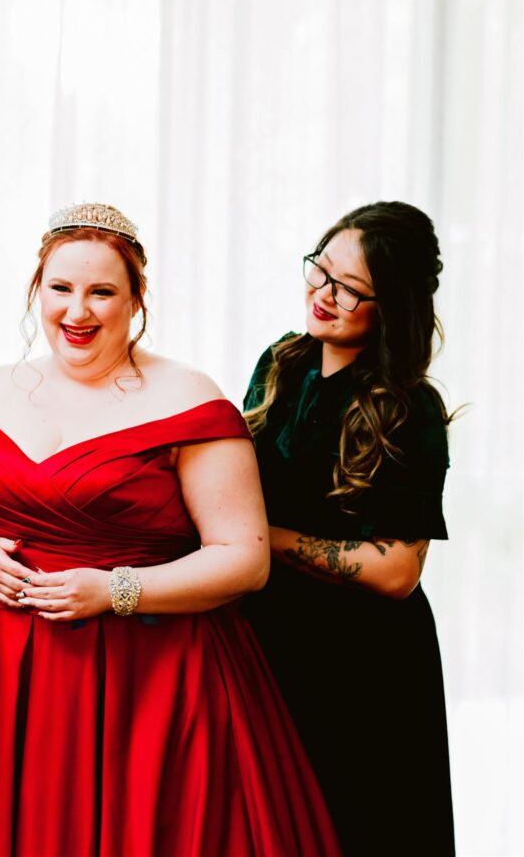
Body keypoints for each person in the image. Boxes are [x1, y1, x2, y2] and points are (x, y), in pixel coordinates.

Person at [0, 203, 341, 857]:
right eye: (61, 289)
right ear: (35, 292)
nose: (78, 312)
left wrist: (115, 591)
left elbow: (244, 558)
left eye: (102, 292)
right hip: (3, 673)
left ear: (136, 301)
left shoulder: (189, 398)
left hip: (153, 679)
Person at [243, 201, 455, 857]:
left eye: (349, 289)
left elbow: (395, 570)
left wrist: (264, 543)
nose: (322, 294)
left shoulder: (408, 407)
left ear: (389, 304)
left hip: (364, 668)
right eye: (319, 270)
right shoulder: (280, 363)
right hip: (270, 640)